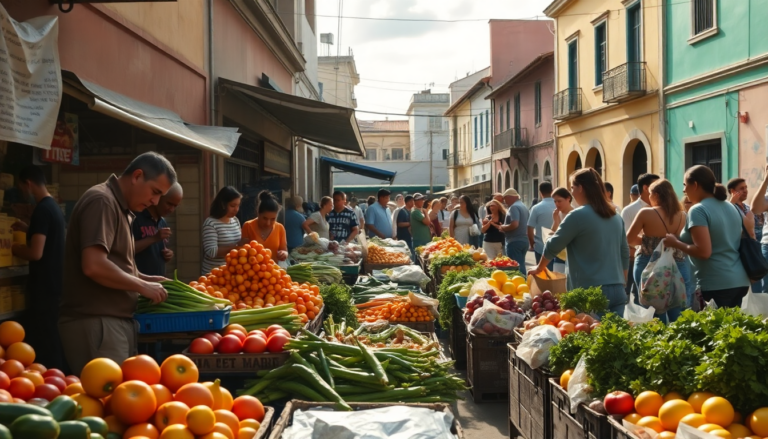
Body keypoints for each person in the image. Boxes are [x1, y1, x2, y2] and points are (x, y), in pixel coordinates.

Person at [59, 152, 174, 374]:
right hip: (97, 323)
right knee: (109, 404)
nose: (155, 202)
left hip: (111, 324)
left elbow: (115, 265)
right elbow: (93, 265)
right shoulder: (102, 201)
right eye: (155, 192)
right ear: (137, 176)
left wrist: (147, 279)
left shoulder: (122, 209)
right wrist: (141, 286)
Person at [530, 168, 629, 315]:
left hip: (590, 291)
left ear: (581, 188)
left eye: (572, 188)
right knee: (613, 336)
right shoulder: (615, 216)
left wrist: (539, 268)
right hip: (617, 289)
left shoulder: (577, 216)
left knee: (588, 335)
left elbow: (552, 246)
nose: (572, 193)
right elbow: (624, 253)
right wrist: (623, 281)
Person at [663, 165, 749, 308]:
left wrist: (675, 243)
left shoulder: (698, 210)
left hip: (716, 283)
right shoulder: (730, 206)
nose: (683, 190)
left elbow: (704, 252)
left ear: (695, 185)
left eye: (685, 185)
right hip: (739, 280)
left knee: (713, 330)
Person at [11, 165, 66, 370]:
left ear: (28, 184)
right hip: (55, 285)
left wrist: (15, 248)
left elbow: (36, 253)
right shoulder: (54, 208)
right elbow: (47, 237)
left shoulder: (41, 210)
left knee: (46, 341)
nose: (22, 192)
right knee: (52, 337)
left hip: (44, 288)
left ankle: (53, 380)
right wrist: (28, 229)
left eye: (21, 187)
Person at [626, 179, 690, 323]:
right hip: (677, 262)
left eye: (650, 194)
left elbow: (629, 238)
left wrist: (648, 240)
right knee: (677, 307)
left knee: (652, 308)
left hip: (648, 261)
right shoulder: (683, 216)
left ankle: (657, 341)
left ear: (655, 194)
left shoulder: (646, 213)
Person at [132, 183, 183, 277]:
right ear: (157, 198)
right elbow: (125, 250)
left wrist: (167, 255)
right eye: (169, 204)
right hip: (138, 283)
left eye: (175, 206)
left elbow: (155, 251)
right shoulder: (136, 218)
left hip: (157, 284)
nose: (171, 209)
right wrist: (154, 238)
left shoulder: (162, 222)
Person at [622, 173, 660, 298]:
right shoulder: (629, 210)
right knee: (639, 299)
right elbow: (627, 239)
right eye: (655, 185)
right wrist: (651, 243)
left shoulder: (662, 208)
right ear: (645, 188)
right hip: (636, 259)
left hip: (661, 261)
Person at [728, 177, 765, 293]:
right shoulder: (729, 207)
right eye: (741, 188)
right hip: (741, 251)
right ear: (733, 191)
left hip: (753, 248)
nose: (745, 191)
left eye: (746, 188)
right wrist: (731, 203)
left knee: (757, 282)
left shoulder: (748, 208)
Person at [202, 187, 244, 275]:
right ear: (223, 204)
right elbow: (211, 251)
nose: (236, 209)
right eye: (232, 206)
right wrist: (235, 248)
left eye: (238, 205)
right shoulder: (211, 223)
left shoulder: (235, 220)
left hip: (232, 274)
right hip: (214, 275)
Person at [242, 191, 289, 263]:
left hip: (273, 271)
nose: (268, 223)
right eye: (265, 218)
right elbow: (242, 252)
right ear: (258, 213)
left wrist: (284, 254)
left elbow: (284, 249)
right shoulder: (248, 226)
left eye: (273, 219)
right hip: (252, 270)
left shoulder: (280, 228)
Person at [501, 188, 530, 272]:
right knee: (521, 264)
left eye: (505, 199)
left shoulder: (514, 207)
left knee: (515, 267)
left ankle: (521, 283)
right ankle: (524, 282)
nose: (505, 202)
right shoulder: (523, 206)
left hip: (514, 241)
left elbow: (515, 224)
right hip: (524, 240)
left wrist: (503, 227)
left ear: (510, 197)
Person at [528, 182, 555, 270]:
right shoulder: (560, 205)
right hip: (559, 247)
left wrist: (532, 243)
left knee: (542, 273)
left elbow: (530, 227)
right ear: (552, 191)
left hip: (540, 247)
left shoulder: (536, 208)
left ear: (540, 193)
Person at [550, 187, 574, 273]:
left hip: (572, 255)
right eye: (555, 201)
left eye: (559, 201)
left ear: (568, 199)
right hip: (559, 255)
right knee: (558, 281)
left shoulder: (575, 214)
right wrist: (555, 219)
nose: (557, 204)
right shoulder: (558, 214)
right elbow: (553, 232)